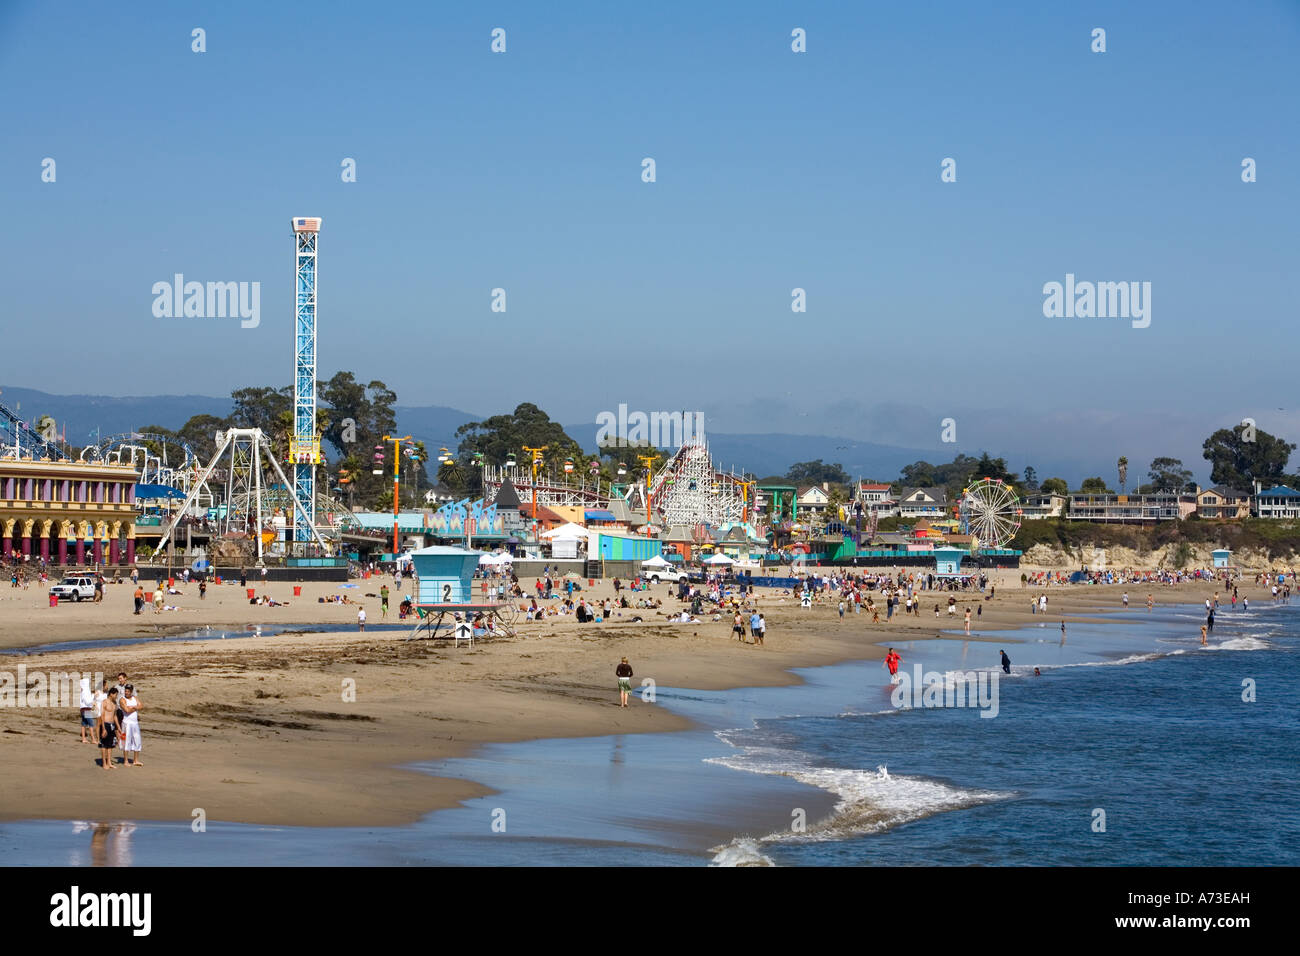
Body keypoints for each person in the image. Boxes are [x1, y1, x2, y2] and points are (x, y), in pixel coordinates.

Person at [97, 687, 120, 770]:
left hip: (112, 725)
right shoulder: (104, 702)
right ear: (111, 694)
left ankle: (109, 762)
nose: (116, 696)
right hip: (105, 724)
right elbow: (102, 715)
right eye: (115, 695)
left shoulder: (114, 703)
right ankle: (104, 763)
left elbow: (115, 716)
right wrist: (103, 728)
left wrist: (119, 727)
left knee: (110, 745)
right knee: (104, 745)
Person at [120, 684, 143, 766]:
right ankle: (125, 761)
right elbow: (126, 710)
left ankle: (135, 760)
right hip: (126, 723)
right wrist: (135, 707)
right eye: (125, 691)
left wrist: (133, 707)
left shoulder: (135, 698)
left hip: (135, 723)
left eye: (128, 691)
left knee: (137, 740)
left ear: (131, 691)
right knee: (126, 742)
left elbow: (141, 706)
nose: (126, 692)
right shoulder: (122, 700)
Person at [79, 677, 94, 744]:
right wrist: (93, 695)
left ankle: (84, 739)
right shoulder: (85, 691)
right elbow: (88, 702)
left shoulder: (82, 691)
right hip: (86, 709)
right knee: (91, 724)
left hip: (83, 709)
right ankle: (93, 739)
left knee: (84, 724)